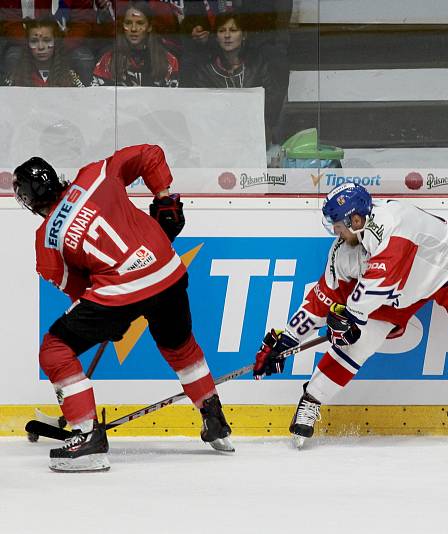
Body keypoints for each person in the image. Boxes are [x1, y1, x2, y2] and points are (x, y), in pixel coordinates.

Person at [251, 183, 448, 450]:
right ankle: (311, 400)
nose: (334, 231)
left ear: (358, 219)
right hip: (399, 292)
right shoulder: (343, 251)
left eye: (338, 224)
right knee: (354, 344)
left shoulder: (395, 223)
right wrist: (288, 340)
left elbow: (381, 279)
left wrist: (350, 317)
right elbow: (322, 299)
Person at [12, 144, 233, 472]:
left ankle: (87, 438)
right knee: (180, 347)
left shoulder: (46, 241)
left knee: (55, 351)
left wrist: (109, 319)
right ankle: (214, 419)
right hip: (168, 270)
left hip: (120, 292)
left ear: (28, 201)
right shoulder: (94, 174)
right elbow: (149, 153)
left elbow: (79, 292)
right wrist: (164, 198)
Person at [188, 11, 281, 140]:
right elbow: (200, 110)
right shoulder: (205, 70)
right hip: (216, 137)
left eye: (233, 30)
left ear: (244, 35)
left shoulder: (257, 65)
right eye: (221, 31)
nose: (227, 35)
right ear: (216, 37)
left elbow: (271, 102)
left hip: (254, 136)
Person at [91, 1, 179, 87]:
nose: (133, 29)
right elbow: (97, 97)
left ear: (149, 27)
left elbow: (172, 99)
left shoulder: (169, 61)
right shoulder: (107, 61)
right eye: (128, 23)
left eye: (140, 23)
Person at [5, 16, 84, 87]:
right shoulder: (15, 78)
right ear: (27, 44)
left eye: (47, 40)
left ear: (56, 42)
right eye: (34, 41)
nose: (41, 47)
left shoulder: (71, 77)